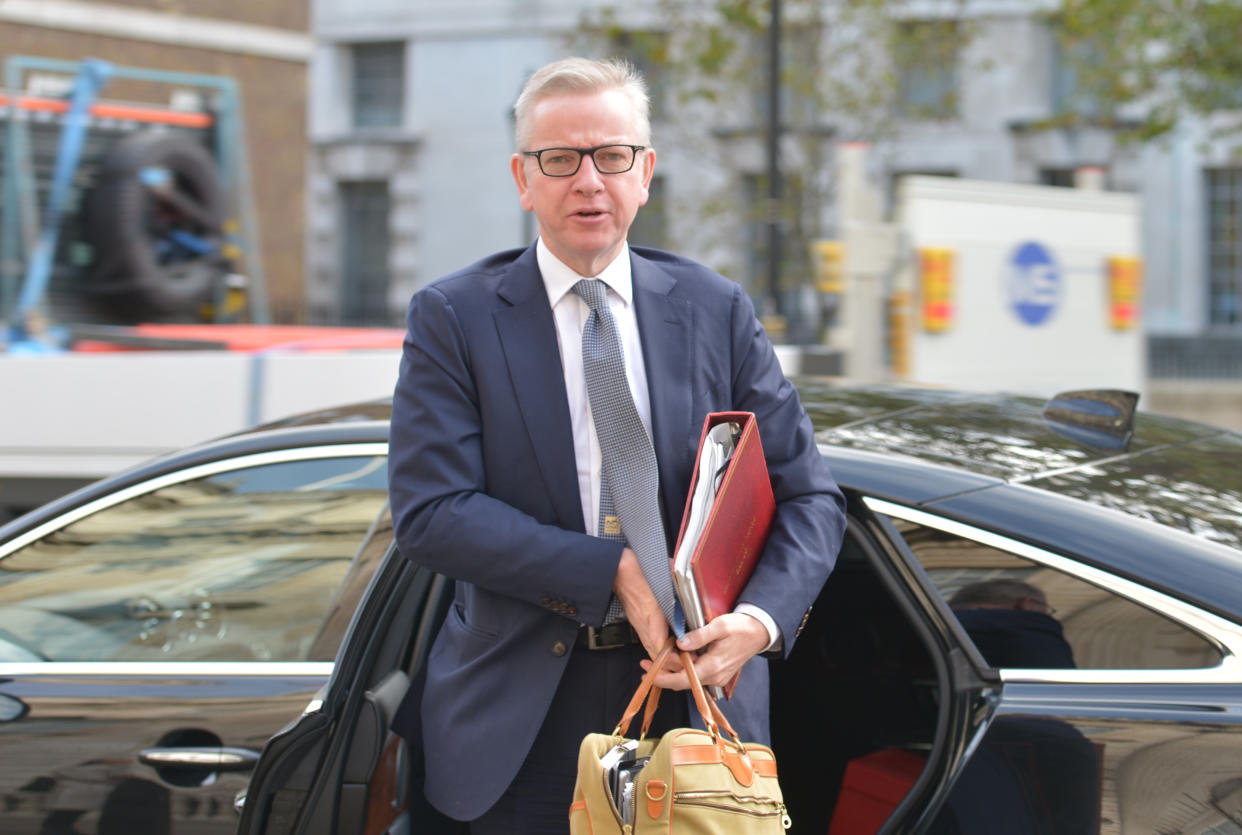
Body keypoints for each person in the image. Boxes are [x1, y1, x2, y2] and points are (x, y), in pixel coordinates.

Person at [387, 56, 845, 833]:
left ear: (646, 172)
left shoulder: (714, 309)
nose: (588, 181)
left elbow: (810, 497)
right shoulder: (454, 318)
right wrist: (615, 572)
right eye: (559, 160)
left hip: (699, 708)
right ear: (522, 179)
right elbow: (432, 511)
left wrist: (758, 624)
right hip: (519, 724)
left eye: (611, 156)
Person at [948, 578, 1075, 669]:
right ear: (1027, 604)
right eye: (1047, 608)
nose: (1047, 614)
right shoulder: (1027, 627)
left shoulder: (941, 625)